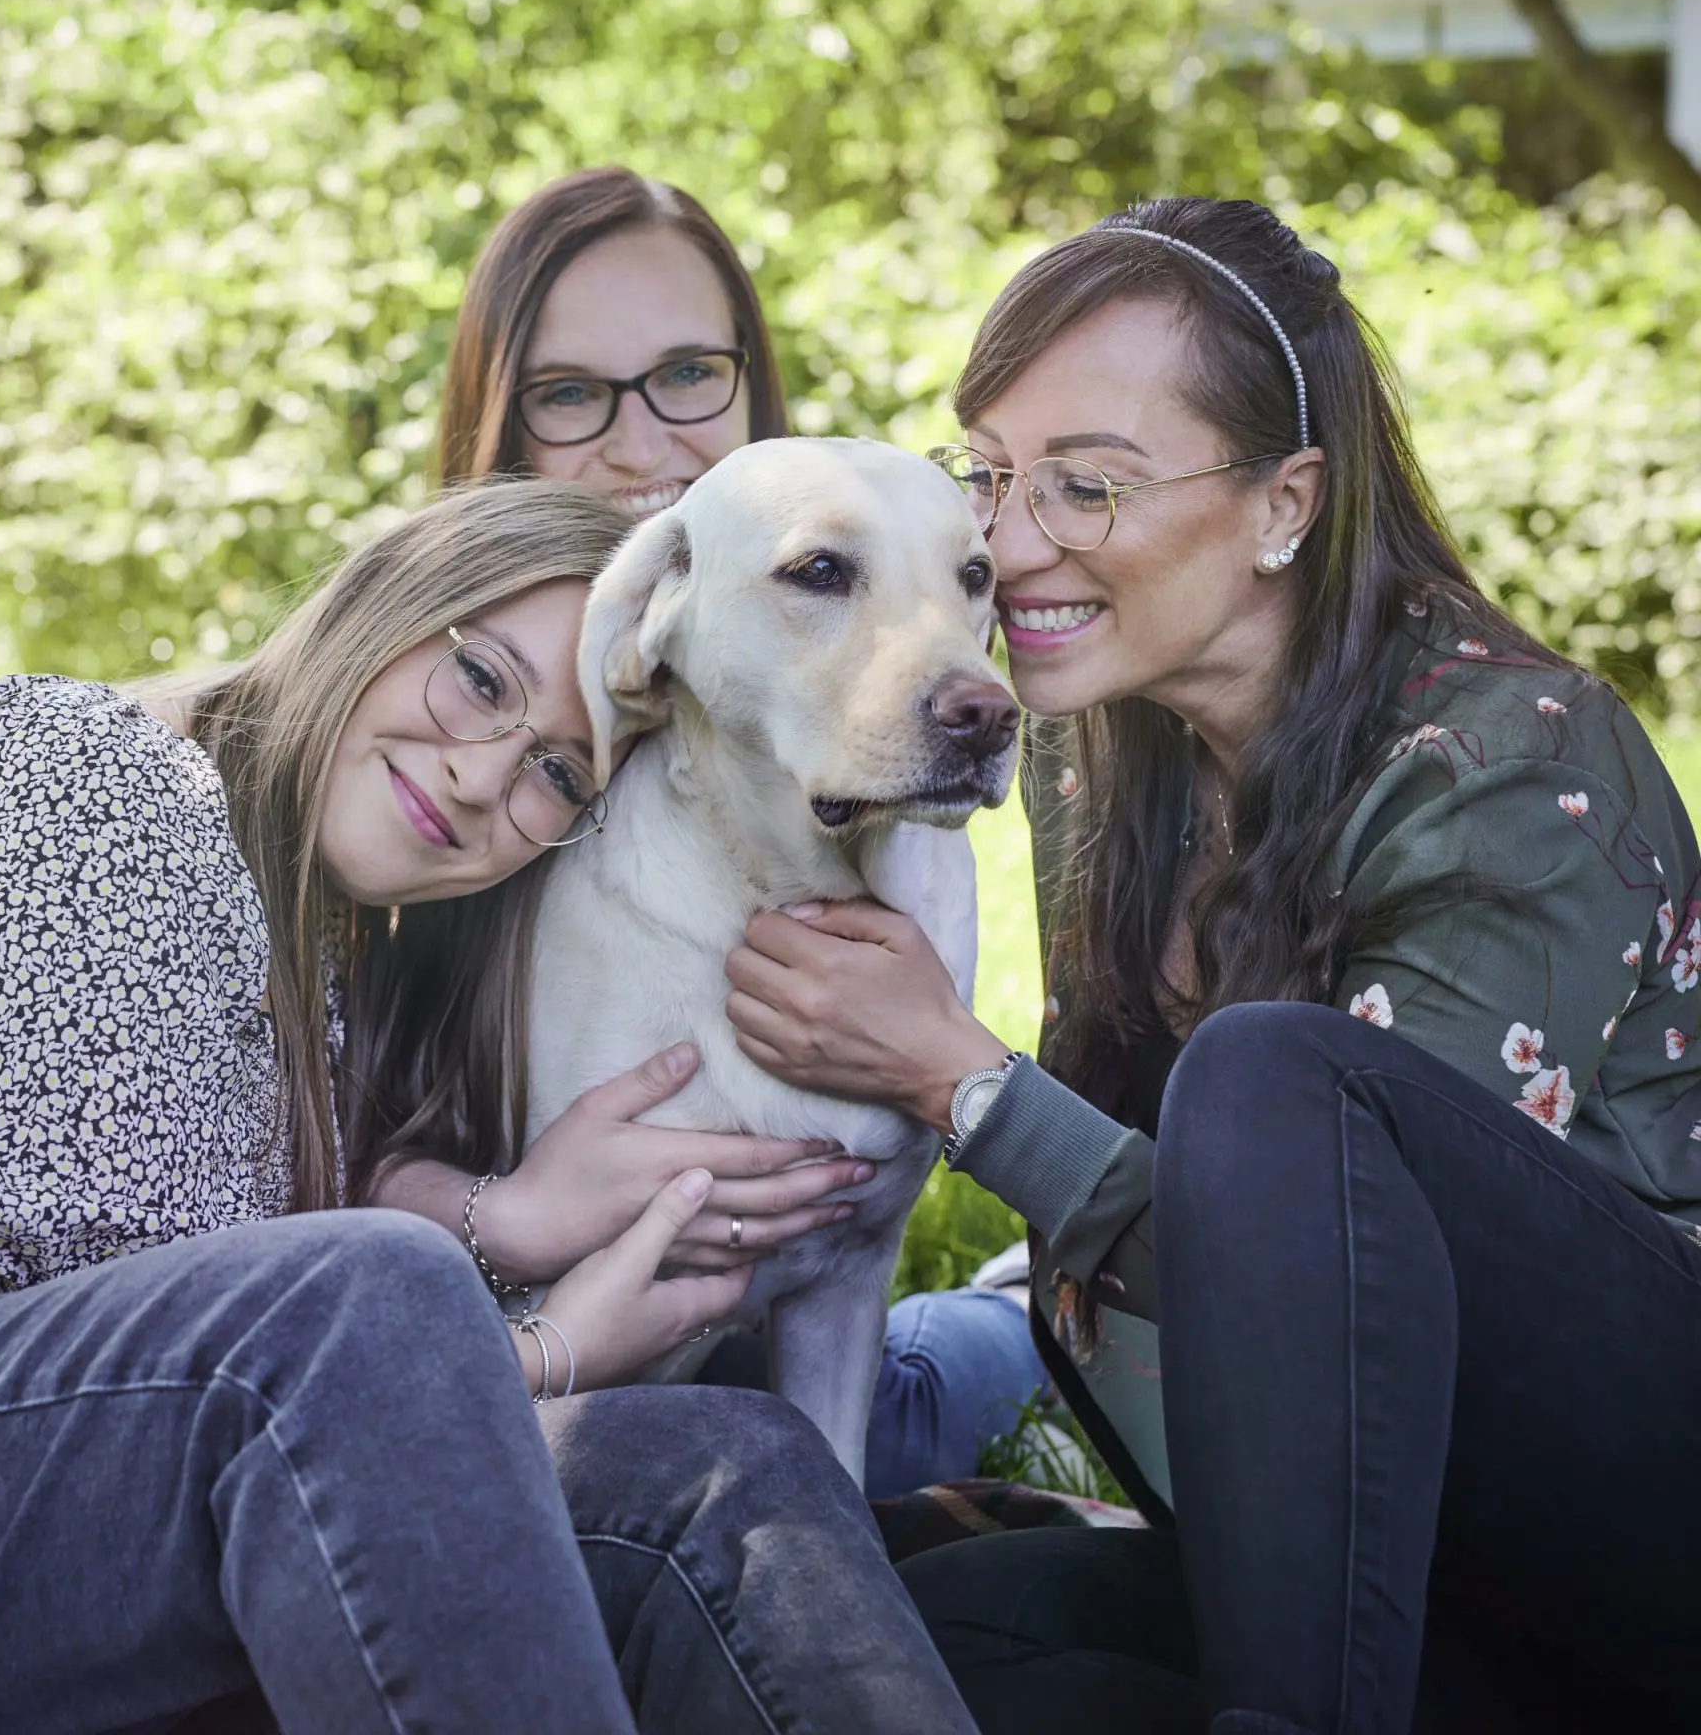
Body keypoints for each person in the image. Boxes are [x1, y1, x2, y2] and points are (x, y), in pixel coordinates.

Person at [722, 197, 1701, 1732]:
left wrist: (961, 1085)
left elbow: (1363, 1311)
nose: (1006, 539)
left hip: (1640, 1534)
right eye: (987, 472)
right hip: (1385, 1571)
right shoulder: (1098, 757)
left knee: (1271, 1078)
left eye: (1085, 489)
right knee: (868, 1635)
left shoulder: (1509, 764)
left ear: (1282, 502)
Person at [0, 480, 978, 1735]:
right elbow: (179, 1337)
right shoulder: (80, 774)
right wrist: (550, 1348)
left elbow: (233, 1283)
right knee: (364, 1290)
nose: (478, 777)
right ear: (393, 597)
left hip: (58, 1510)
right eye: (479, 680)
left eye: (556, 773)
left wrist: (497, 1218)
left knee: (730, 1464)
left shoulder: (323, 934)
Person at [429, 164, 1047, 1498]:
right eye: (571, 394)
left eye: (691, 377)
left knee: (951, 1365)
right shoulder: (431, 729)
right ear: (495, 422)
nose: (647, 447)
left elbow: (851, 1257)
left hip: (826, 1365)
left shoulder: (840, 631)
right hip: (519, 1398)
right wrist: (500, 1221)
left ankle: (1005, 1334)